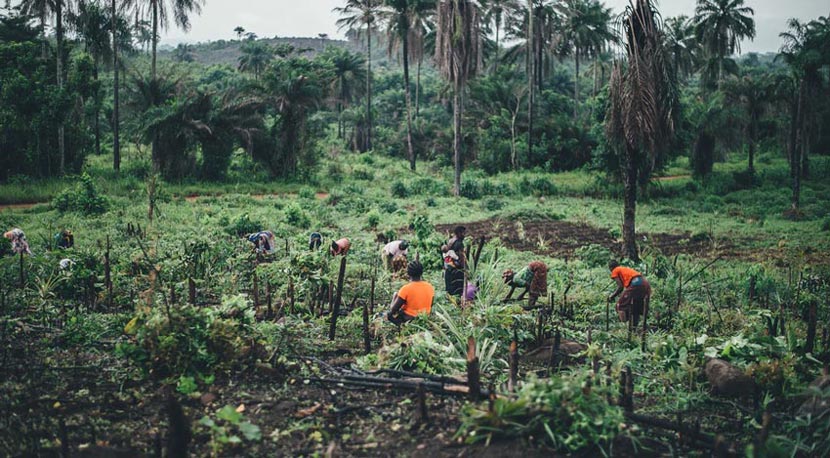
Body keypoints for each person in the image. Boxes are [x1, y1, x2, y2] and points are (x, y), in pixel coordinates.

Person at [388, 261, 434, 325]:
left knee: (389, 315)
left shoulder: (406, 289)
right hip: (425, 317)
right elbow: (431, 304)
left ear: (408, 273)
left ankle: (401, 326)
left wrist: (394, 296)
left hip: (409, 319)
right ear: (421, 272)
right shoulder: (430, 286)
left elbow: (393, 310)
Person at [608, 260, 651, 326]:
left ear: (611, 268)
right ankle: (634, 328)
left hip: (636, 284)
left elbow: (620, 286)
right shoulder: (623, 269)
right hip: (645, 283)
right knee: (635, 307)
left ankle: (624, 327)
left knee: (620, 305)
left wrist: (612, 296)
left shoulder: (615, 270)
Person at [443, 226, 467, 296]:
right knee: (458, 292)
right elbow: (462, 259)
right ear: (459, 233)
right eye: (463, 233)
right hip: (457, 272)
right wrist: (464, 268)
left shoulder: (450, 241)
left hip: (449, 270)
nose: (464, 235)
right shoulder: (459, 244)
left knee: (450, 293)